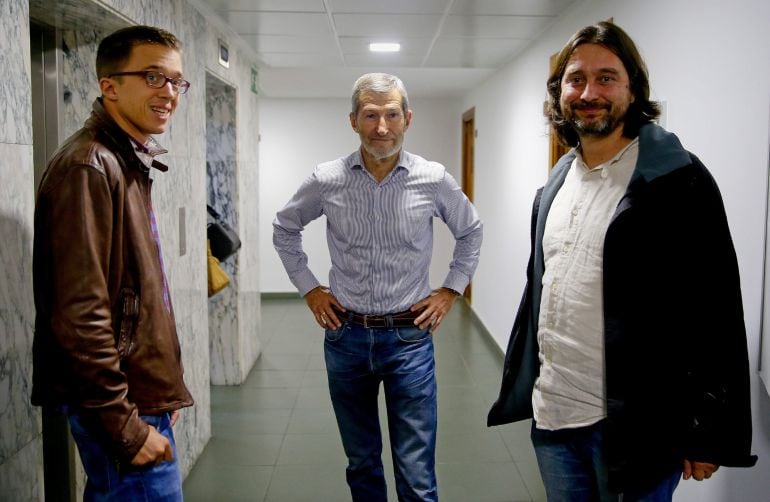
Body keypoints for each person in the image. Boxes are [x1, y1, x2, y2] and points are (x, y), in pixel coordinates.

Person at [488, 21, 756, 501]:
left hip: (637, 428)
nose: (589, 91)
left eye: (607, 78)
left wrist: (709, 428)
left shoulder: (677, 179)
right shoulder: (556, 183)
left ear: (633, 90)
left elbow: (716, 309)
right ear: (559, 92)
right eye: (576, 79)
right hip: (553, 419)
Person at [273, 73, 483, 501]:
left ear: (408, 119)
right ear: (353, 121)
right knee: (362, 462)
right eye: (371, 115)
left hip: (408, 338)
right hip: (345, 337)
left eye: (391, 115)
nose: (381, 127)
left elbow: (471, 231)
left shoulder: (432, 178)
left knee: (416, 470)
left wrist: (450, 290)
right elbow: (285, 227)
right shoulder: (327, 179)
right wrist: (310, 289)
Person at [32, 25, 193, 500]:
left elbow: (135, 293)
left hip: (137, 397)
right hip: (122, 407)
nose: (168, 93)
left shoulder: (123, 160)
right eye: (153, 77)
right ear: (110, 85)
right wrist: (123, 421)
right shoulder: (89, 166)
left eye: (176, 82)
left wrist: (160, 387)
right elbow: (81, 315)